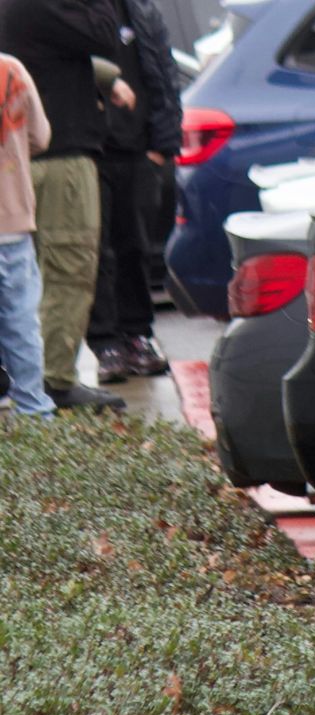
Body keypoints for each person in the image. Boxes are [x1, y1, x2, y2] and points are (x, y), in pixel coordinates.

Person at [0, 0, 129, 412]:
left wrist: (103, 77)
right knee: (67, 271)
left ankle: (32, 382)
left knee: (31, 285)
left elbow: (41, 48)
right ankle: (52, 381)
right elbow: (104, 33)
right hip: (56, 158)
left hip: (29, 160)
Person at [86, 0, 176, 382]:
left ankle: (138, 335)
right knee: (96, 252)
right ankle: (106, 344)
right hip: (89, 151)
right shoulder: (75, 13)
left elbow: (164, 77)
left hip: (138, 152)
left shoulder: (141, 13)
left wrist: (161, 147)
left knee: (136, 247)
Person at [0, 50, 54, 418]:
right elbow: (40, 136)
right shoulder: (11, 69)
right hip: (12, 219)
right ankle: (34, 411)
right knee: (20, 321)